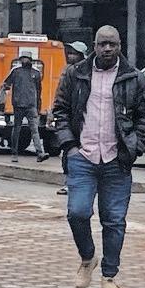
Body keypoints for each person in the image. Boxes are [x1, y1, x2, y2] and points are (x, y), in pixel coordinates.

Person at [51, 24, 145, 288]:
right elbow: (60, 110)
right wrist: (70, 147)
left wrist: (135, 147)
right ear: (94, 46)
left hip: (116, 160)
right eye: (102, 44)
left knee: (114, 221)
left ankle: (109, 276)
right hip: (82, 157)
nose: (107, 48)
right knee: (78, 212)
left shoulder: (134, 77)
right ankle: (88, 258)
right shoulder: (75, 74)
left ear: (120, 46)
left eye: (112, 44)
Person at [0, 54, 49, 164]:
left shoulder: (36, 73)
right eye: (23, 58)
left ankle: (39, 153)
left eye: (27, 58)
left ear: (30, 60)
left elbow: (39, 91)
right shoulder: (16, 72)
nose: (25, 60)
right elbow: (6, 83)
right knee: (17, 129)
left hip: (31, 105)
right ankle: (14, 153)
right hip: (19, 105)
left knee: (34, 130)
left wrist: (38, 105)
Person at [52, 43, 88, 195]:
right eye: (70, 53)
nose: (71, 56)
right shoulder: (66, 72)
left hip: (85, 121)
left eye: (75, 53)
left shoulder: (88, 73)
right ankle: (69, 182)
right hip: (69, 120)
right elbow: (59, 97)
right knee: (68, 152)